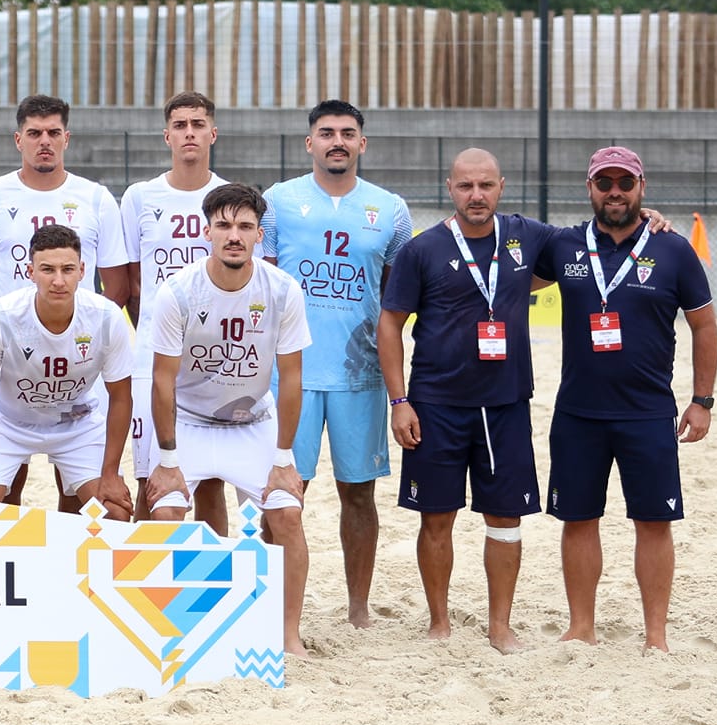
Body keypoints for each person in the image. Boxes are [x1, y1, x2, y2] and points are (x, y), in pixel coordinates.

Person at [544, 147, 717, 652]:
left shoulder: (674, 249)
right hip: (578, 412)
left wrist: (702, 398)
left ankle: (655, 635)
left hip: (647, 413)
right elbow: (506, 270)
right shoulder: (565, 245)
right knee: (578, 519)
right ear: (589, 187)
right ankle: (582, 627)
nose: (614, 191)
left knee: (654, 521)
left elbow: (704, 325)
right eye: (605, 183)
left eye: (625, 182)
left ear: (642, 187)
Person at [377, 148, 550, 654]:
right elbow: (390, 325)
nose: (477, 195)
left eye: (487, 185)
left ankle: (500, 625)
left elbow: (596, 240)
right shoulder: (422, 249)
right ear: (449, 187)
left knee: (505, 518)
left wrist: (649, 217)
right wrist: (399, 400)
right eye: (466, 186)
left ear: (502, 186)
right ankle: (439, 622)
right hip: (435, 405)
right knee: (437, 517)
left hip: (505, 404)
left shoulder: (527, 236)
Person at [144, 183, 313, 657]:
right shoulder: (177, 291)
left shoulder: (282, 290)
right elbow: (162, 381)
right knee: (166, 512)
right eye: (224, 225)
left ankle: (287, 635)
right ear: (206, 231)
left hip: (252, 424)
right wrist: (169, 460)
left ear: (260, 235)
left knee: (287, 516)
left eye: (244, 226)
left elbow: (292, 378)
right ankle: (172, 628)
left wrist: (283, 459)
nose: (233, 235)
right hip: (191, 423)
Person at [261, 100, 413, 630]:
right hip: (290, 375)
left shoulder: (391, 210)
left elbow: (395, 295)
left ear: (362, 143)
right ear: (310, 143)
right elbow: (264, 283)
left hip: (360, 374)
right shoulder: (278, 202)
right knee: (282, 492)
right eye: (326, 133)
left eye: (348, 133)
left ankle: (358, 607)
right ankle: (276, 608)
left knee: (359, 493)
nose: (337, 142)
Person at [0, 93, 128, 502]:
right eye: (34, 133)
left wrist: (76, 338)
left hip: (76, 370)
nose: (45, 141)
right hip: (12, 370)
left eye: (54, 133)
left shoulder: (95, 198)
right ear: (17, 139)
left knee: (80, 503)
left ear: (66, 138)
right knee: (0, 499)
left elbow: (117, 285)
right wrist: (15, 339)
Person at [0, 224, 135, 516]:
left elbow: (120, 396)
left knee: (114, 512)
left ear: (82, 270)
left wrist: (111, 473)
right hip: (9, 424)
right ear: (30, 272)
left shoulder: (106, 317)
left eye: (67, 269)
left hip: (76, 424)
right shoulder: (0, 317)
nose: (58, 280)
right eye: (47, 270)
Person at [120, 91, 228, 524]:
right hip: (152, 354)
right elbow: (131, 284)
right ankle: (144, 583)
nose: (189, 132)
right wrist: (157, 332)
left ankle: (211, 581)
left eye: (197, 124)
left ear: (212, 134)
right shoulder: (140, 197)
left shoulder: (228, 195)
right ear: (166, 135)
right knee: (152, 480)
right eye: (180, 125)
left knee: (211, 484)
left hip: (214, 359)